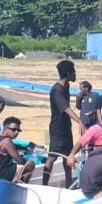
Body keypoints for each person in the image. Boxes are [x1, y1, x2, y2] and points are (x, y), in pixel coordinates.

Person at [42, 61, 82, 189]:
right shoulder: (57, 89)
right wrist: (80, 121)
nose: (76, 74)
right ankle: (44, 185)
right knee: (52, 156)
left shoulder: (67, 86)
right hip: (57, 128)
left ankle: (69, 183)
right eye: (74, 71)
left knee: (68, 155)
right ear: (69, 73)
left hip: (66, 127)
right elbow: (66, 108)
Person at [0, 116, 35, 183]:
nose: (16, 132)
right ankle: (20, 187)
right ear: (4, 128)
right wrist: (25, 160)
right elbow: (20, 161)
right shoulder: (7, 142)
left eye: (18, 130)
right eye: (13, 129)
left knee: (13, 166)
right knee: (30, 164)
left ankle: (14, 182)